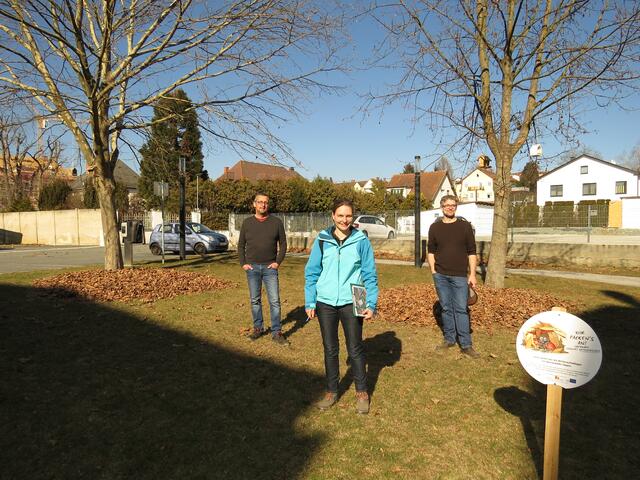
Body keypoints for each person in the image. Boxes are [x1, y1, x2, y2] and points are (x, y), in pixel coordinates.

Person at [304, 199, 379, 414]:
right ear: (333, 216)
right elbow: (312, 272)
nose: (345, 220)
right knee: (330, 348)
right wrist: (310, 300)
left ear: (352, 217)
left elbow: (369, 274)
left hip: (353, 299)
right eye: (340, 215)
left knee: (355, 348)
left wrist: (370, 304)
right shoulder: (322, 239)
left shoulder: (361, 240)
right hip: (325, 301)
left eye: (348, 216)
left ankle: (362, 392)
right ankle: (331, 390)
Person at [427, 195, 480, 358]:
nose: (450, 207)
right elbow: (431, 251)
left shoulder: (465, 227)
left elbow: (472, 252)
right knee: (447, 308)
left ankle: (466, 344)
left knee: (461, 309)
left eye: (453, 205)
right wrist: (434, 271)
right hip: (441, 275)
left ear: (456, 207)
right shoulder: (434, 228)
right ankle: (449, 339)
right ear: (441, 207)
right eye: (447, 205)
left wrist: (472, 274)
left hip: (459, 276)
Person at [238, 193, 288, 345]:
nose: (263, 205)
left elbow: (284, 244)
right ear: (254, 204)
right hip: (252, 268)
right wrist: (243, 263)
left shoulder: (276, 222)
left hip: (270, 268)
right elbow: (241, 245)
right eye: (260, 202)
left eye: (266, 202)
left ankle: (276, 332)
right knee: (255, 300)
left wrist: (277, 262)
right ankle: (258, 328)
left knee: (274, 301)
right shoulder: (247, 223)